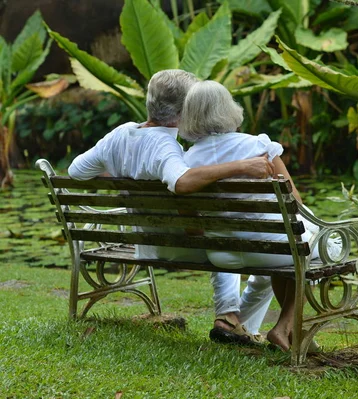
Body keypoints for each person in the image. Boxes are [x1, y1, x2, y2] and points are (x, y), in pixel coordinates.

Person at [68, 69, 275, 346]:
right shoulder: (167, 147)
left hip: (145, 241)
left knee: (225, 234)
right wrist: (242, 165)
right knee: (238, 239)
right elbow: (182, 182)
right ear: (185, 109)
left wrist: (122, 179)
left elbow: (76, 170)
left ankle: (235, 324)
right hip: (178, 244)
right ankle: (229, 318)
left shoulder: (119, 135)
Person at [179, 80, 340, 351]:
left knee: (293, 251)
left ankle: (291, 332)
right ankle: (285, 327)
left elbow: (191, 222)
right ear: (229, 109)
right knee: (326, 247)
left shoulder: (187, 161)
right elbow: (294, 203)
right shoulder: (258, 146)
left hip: (223, 253)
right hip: (274, 248)